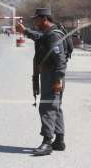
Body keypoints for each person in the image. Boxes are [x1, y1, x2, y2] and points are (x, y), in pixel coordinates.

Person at [16, 8, 68, 156]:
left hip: (53, 76)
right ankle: (59, 140)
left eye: (36, 19)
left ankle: (47, 142)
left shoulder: (53, 35)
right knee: (55, 106)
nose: (34, 21)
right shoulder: (48, 33)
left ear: (44, 19)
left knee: (47, 107)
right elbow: (39, 38)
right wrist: (25, 31)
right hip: (50, 74)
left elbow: (60, 60)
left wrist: (57, 80)